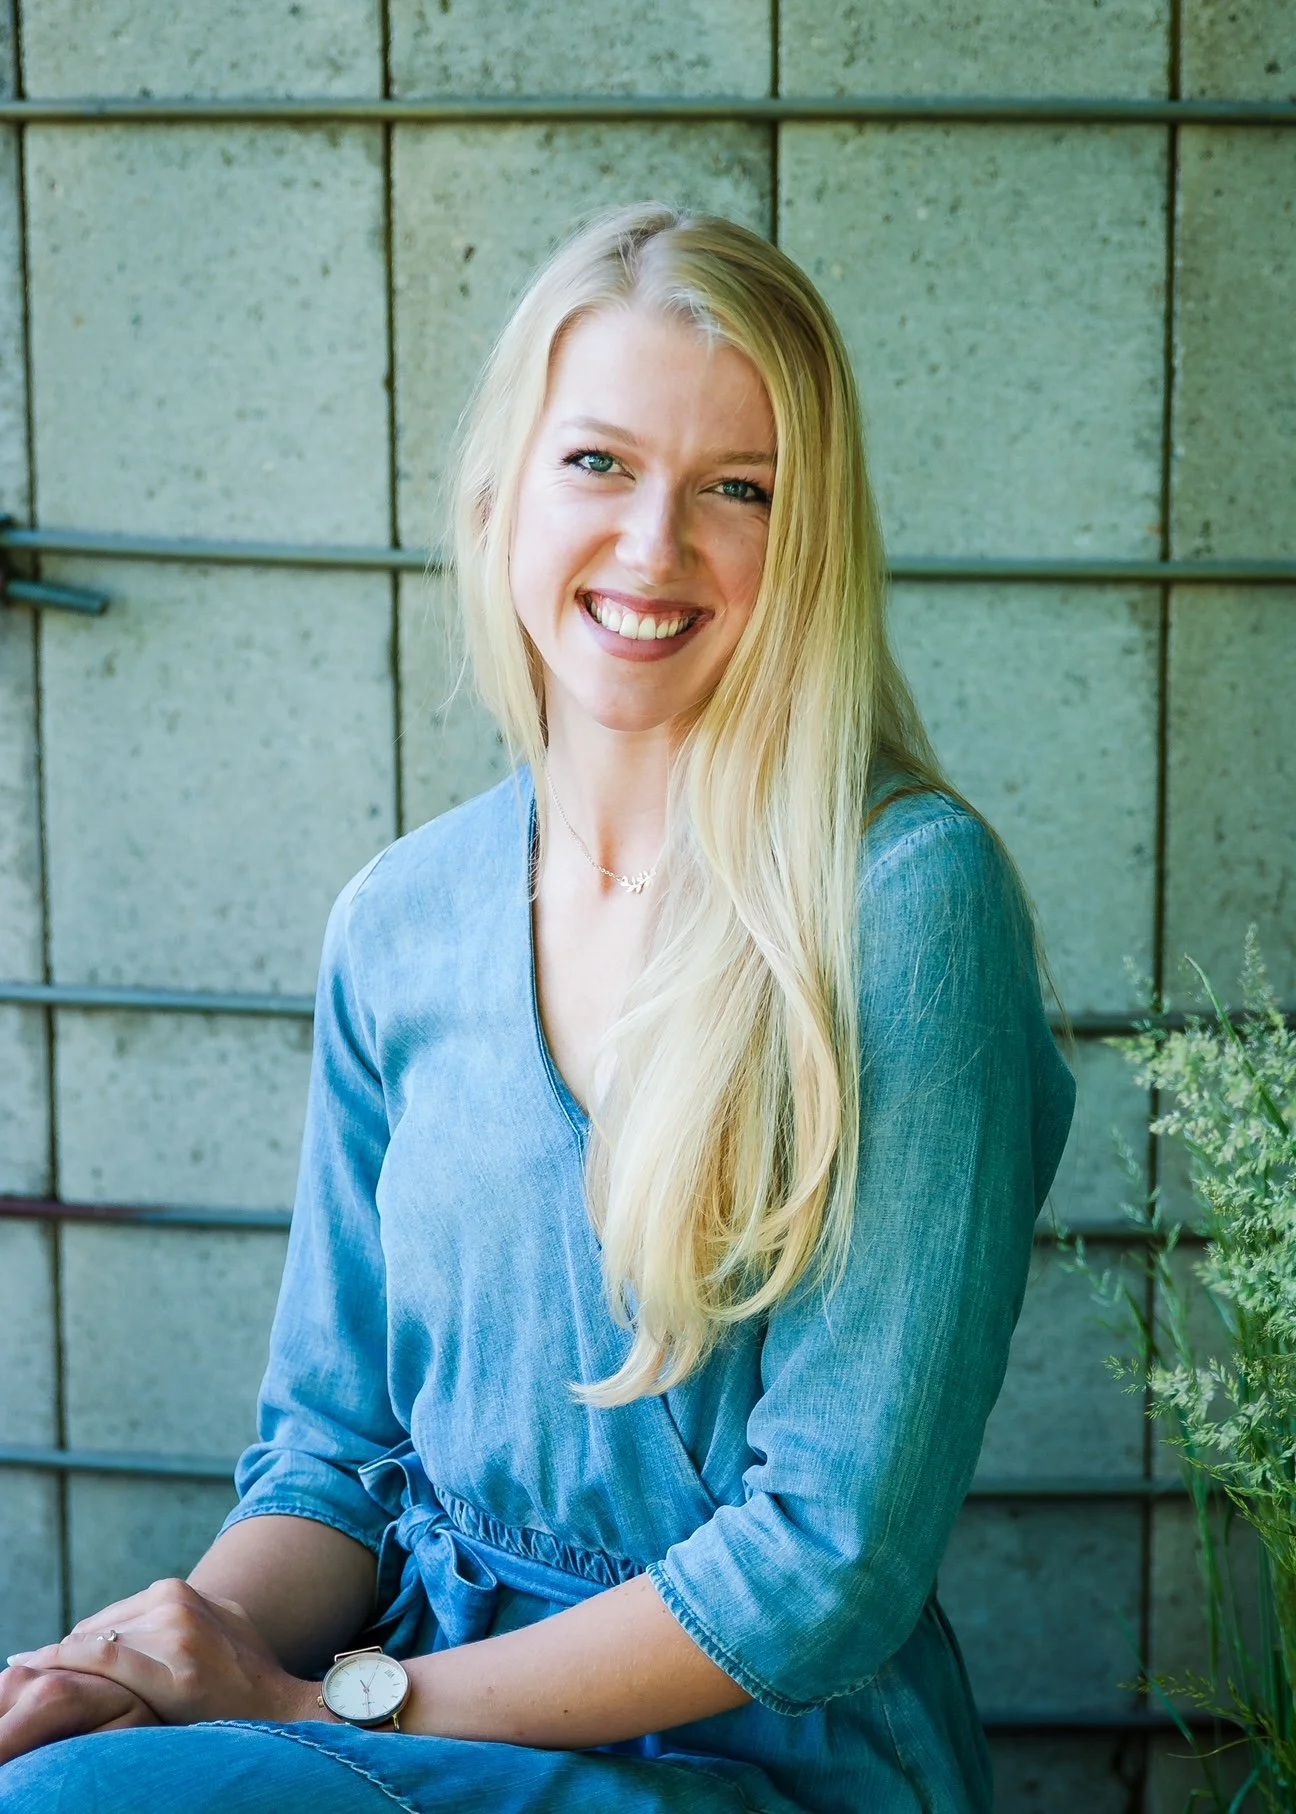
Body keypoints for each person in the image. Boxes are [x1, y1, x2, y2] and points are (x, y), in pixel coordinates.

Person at [0, 202, 1076, 1813]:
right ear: (502, 495)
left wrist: (332, 1698)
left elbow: (823, 1563)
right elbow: (334, 1463)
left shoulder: (907, 903)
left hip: (757, 1761)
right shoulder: (399, 921)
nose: (656, 546)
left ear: (811, 543)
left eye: (739, 489)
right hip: (392, 1705)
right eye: (600, 465)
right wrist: (166, 1655)